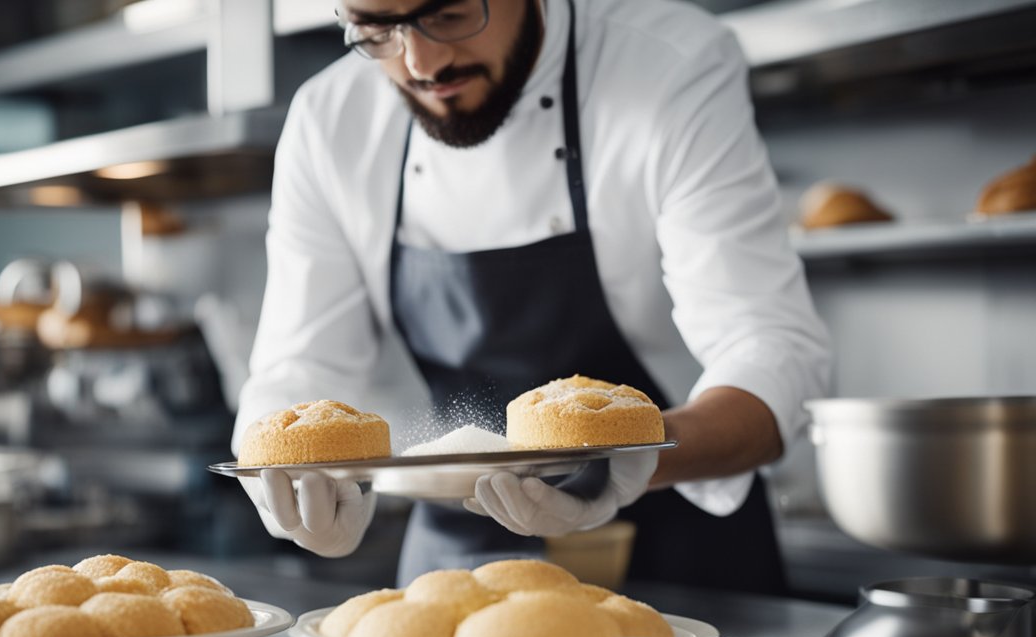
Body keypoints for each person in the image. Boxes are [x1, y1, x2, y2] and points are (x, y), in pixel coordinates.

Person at [232, 0, 831, 594]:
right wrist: (294, 485)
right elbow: (297, 369)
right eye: (376, 27)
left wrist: (629, 464)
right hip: (458, 566)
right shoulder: (328, 120)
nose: (421, 61)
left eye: (448, 14)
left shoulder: (667, 63)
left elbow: (772, 347)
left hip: (681, 548)